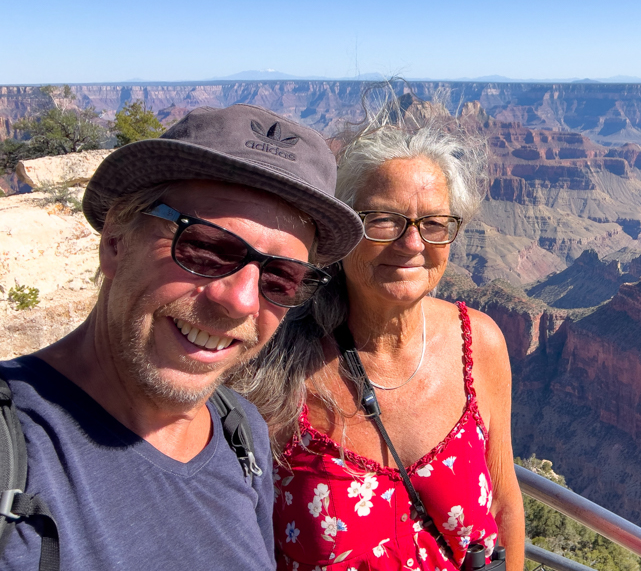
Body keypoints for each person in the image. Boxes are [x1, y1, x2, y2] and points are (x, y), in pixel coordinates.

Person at [0, 104, 363, 570]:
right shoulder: (18, 450)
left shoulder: (242, 435)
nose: (243, 301)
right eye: (207, 248)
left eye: (282, 278)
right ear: (115, 241)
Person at [239, 92, 525, 571]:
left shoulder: (480, 344)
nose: (411, 243)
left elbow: (504, 506)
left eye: (433, 223)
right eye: (383, 220)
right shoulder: (275, 366)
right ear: (344, 228)